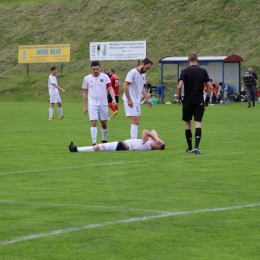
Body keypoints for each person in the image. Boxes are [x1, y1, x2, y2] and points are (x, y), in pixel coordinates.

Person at [177, 52, 211, 155]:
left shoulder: (184, 71)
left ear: (188, 60)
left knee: (187, 123)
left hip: (187, 99)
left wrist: (179, 97)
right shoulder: (203, 71)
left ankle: (189, 147)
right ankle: (197, 147)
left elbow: (179, 86)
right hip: (199, 99)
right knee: (198, 123)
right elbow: (209, 86)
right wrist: (207, 100)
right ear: (197, 59)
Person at [82, 61, 117, 145]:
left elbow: (110, 88)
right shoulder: (87, 78)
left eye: (97, 69)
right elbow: (85, 92)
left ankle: (104, 139)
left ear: (99, 68)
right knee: (94, 122)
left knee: (104, 122)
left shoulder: (105, 77)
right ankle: (94, 142)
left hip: (103, 103)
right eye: (94, 69)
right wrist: (84, 106)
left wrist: (113, 99)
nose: (96, 71)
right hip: (92, 104)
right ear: (91, 68)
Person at [123, 58, 153, 139]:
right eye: (146, 68)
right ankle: (133, 141)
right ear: (142, 64)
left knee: (137, 121)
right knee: (135, 120)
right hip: (130, 100)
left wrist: (148, 99)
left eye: (148, 69)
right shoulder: (132, 72)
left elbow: (142, 87)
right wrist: (129, 99)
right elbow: (125, 85)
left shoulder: (143, 74)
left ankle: (134, 140)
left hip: (137, 101)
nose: (147, 70)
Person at [68, 129, 165, 152]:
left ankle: (76, 149)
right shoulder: (150, 142)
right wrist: (157, 139)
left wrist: (156, 139)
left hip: (121, 146)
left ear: (155, 145)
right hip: (121, 144)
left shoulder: (147, 144)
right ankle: (77, 149)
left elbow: (145, 131)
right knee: (98, 146)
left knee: (98, 147)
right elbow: (153, 130)